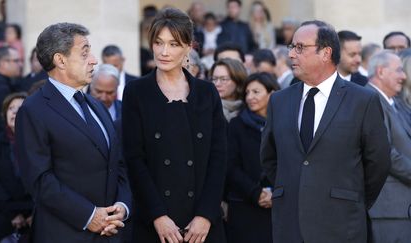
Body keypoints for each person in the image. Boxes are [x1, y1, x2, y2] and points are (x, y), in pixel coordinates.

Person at [260, 20, 391, 243]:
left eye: (300, 47)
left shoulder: (363, 100)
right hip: (289, 224)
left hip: (342, 225)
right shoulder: (279, 101)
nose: (291, 54)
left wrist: (350, 199)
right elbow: (269, 158)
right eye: (292, 47)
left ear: (326, 53)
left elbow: (378, 162)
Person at [15, 22, 132, 243]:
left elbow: (118, 164)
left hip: (112, 234)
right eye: (85, 53)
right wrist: (90, 216)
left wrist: (122, 207)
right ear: (60, 60)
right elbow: (40, 180)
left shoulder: (96, 105)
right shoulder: (33, 109)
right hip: (64, 235)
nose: (94, 60)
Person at [122, 8, 227, 243]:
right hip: (154, 224)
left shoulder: (207, 93)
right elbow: (134, 159)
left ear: (189, 47)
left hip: (202, 226)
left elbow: (219, 158)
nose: (164, 52)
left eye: (173, 44)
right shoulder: (136, 92)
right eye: (158, 43)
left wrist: (206, 215)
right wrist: (157, 215)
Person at [226, 72, 279, 243]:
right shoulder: (236, 125)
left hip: (278, 206)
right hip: (245, 205)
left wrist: (276, 193)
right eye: (247, 93)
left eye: (256, 92)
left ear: (271, 93)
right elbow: (230, 167)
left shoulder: (285, 124)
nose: (250, 97)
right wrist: (255, 193)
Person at [365, 50, 411, 243]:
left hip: (402, 207)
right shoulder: (369, 99)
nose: (404, 76)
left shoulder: (396, 102)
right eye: (399, 70)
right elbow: (384, 151)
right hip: (388, 207)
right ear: (381, 71)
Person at [0, 92, 33, 243]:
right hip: (0, 215)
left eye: (20, 108)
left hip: (33, 217)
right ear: (5, 114)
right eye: (11, 108)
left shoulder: (39, 144)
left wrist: (34, 212)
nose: (15, 112)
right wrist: (13, 214)